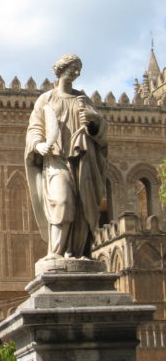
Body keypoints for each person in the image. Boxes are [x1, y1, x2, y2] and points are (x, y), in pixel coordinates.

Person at [25, 54, 107, 260]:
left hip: (81, 160)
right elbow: (35, 127)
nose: (77, 73)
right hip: (56, 160)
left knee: (82, 205)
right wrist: (38, 144)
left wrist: (94, 120)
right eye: (73, 69)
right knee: (61, 202)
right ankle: (56, 252)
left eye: (79, 69)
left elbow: (101, 132)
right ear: (61, 70)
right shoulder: (46, 99)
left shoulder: (82, 99)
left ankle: (77, 251)